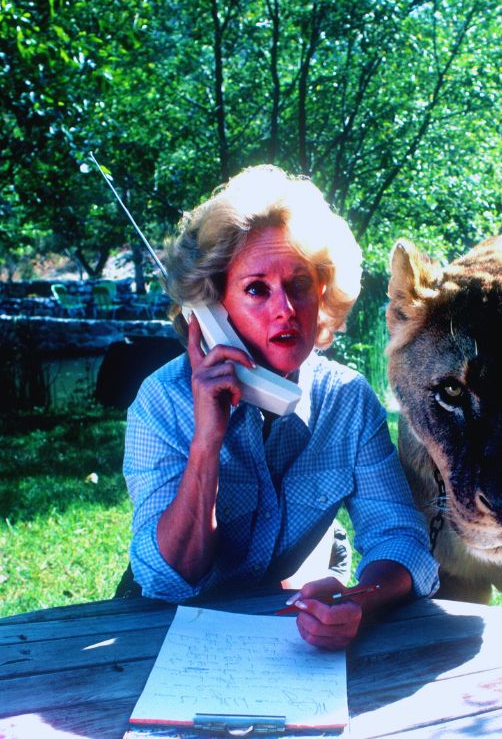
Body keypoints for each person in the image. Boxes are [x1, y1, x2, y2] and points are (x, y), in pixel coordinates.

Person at [123, 165, 439, 650]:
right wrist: (207, 440)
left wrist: (361, 599)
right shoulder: (162, 401)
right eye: (256, 289)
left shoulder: (348, 402)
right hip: (159, 627)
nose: (286, 310)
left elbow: (400, 538)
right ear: (212, 309)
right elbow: (169, 579)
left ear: (323, 293)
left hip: (280, 629)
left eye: (299, 285)